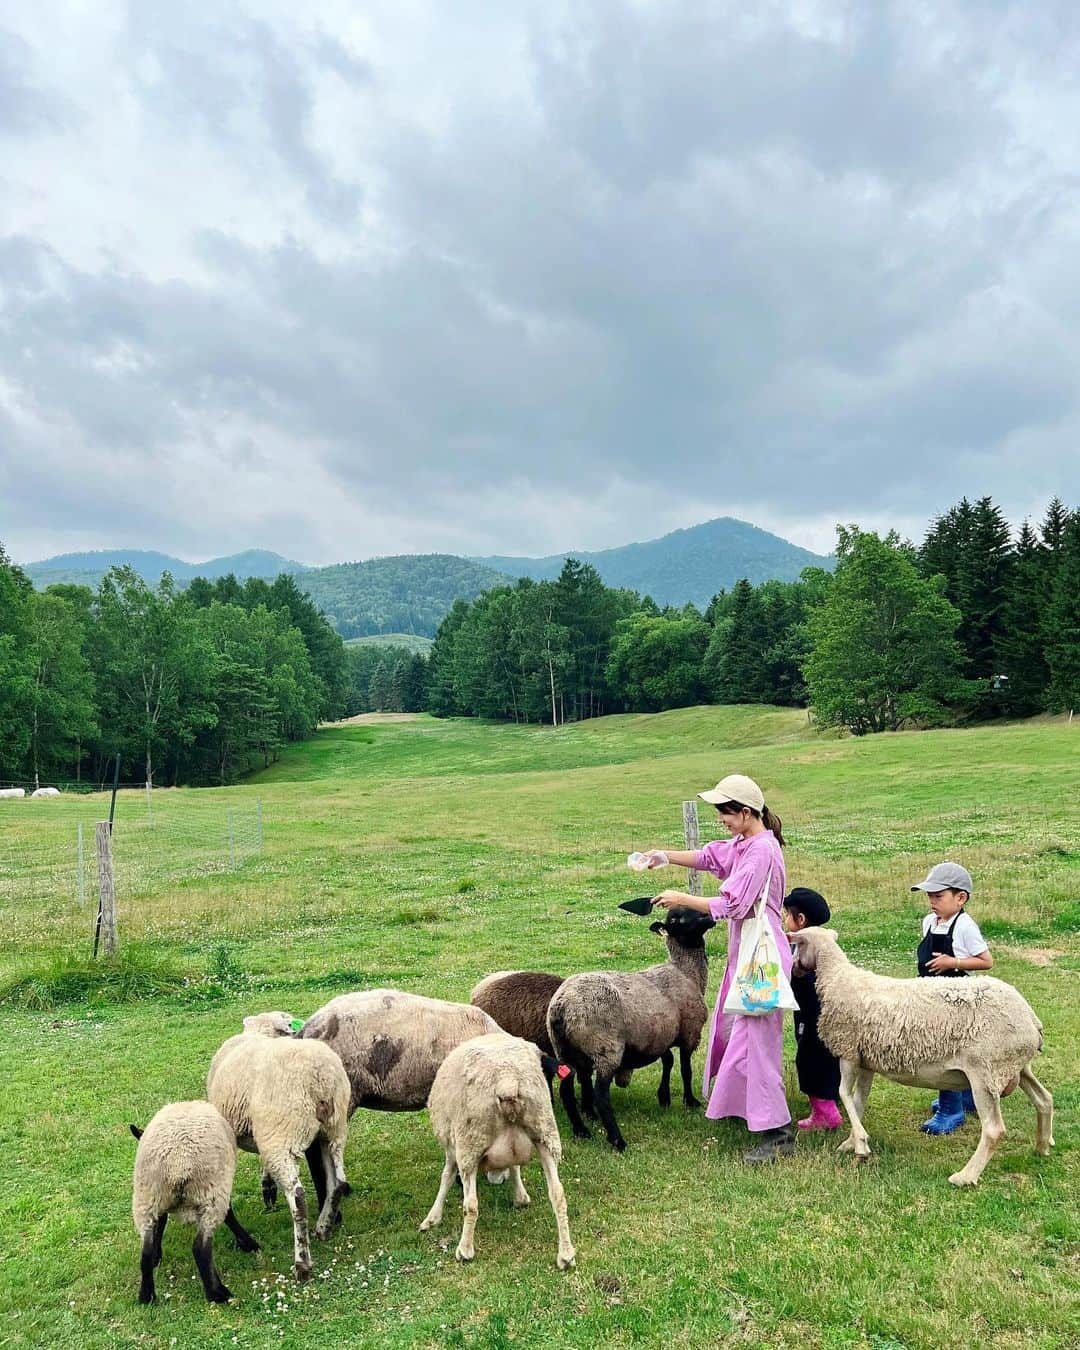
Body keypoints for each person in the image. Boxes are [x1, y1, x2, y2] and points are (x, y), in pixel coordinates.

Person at [642, 773, 793, 1163]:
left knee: (757, 1042)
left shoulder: (762, 851)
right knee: (740, 1034)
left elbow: (734, 905)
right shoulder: (746, 843)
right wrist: (665, 856)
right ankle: (753, 1113)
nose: (721, 820)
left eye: (725, 813)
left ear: (745, 813)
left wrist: (682, 898)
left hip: (761, 957)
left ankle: (777, 1134)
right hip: (747, 954)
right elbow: (712, 857)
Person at [912, 861, 993, 1134]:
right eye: (929, 897)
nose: (932, 902)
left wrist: (953, 962)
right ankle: (966, 1097)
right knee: (937, 1048)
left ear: (960, 898)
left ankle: (951, 1109)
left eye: (938, 896)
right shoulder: (928, 922)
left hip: (956, 998)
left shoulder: (965, 926)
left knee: (948, 1053)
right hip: (931, 995)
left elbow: (986, 961)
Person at [782, 887, 842, 1131]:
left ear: (801, 920)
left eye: (787, 914)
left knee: (810, 1058)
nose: (785, 919)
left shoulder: (810, 946)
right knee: (823, 1057)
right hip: (817, 1012)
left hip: (813, 1013)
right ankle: (830, 1102)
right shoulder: (825, 939)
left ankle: (826, 1113)